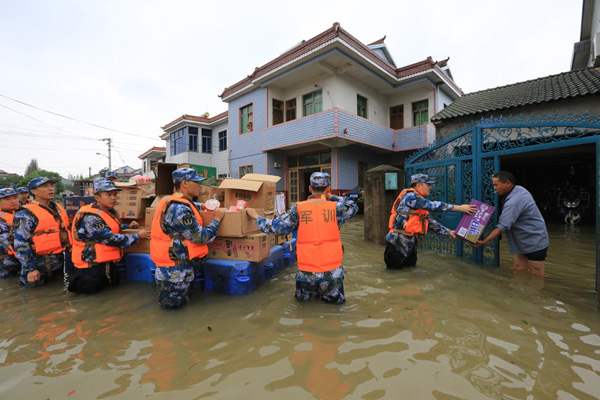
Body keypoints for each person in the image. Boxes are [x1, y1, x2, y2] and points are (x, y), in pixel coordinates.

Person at [247, 172, 358, 304]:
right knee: (335, 313)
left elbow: (274, 228)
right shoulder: (336, 209)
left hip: (307, 274)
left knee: (304, 310)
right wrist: (331, 196)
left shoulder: (298, 209)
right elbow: (353, 206)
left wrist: (255, 216)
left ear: (310, 189)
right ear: (328, 188)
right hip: (332, 274)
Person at [150, 168, 224, 309]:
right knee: (173, 314)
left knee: (181, 311)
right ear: (184, 183)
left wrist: (202, 205)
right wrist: (217, 219)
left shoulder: (175, 202)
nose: (200, 186)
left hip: (178, 270)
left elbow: (187, 205)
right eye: (196, 182)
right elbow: (201, 237)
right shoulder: (179, 209)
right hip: (174, 275)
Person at [68, 179, 150, 294]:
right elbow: (110, 239)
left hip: (106, 266)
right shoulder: (91, 218)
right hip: (90, 270)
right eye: (109, 194)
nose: (114, 198)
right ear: (97, 197)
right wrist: (137, 236)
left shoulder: (106, 211)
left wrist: (127, 226)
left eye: (115, 194)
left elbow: (108, 227)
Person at [384, 173, 476, 270]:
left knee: (409, 274)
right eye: (427, 184)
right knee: (394, 275)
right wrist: (459, 208)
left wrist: (449, 232)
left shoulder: (419, 203)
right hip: (397, 245)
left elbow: (431, 222)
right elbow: (433, 205)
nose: (430, 187)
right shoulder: (411, 197)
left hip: (410, 245)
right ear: (418, 185)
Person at [471, 171, 549, 277]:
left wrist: (484, 241)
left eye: (496, 185)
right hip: (521, 240)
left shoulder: (514, 201)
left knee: (536, 273)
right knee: (518, 268)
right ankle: (520, 291)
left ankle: (537, 292)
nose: (494, 188)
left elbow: (503, 226)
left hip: (534, 240)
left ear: (507, 183)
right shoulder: (519, 190)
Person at [13, 177, 73, 287]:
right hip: (37, 266)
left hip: (58, 264)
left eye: (51, 186)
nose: (50, 189)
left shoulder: (58, 208)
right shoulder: (25, 214)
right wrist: (30, 269)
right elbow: (20, 244)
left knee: (58, 296)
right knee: (33, 298)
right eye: (45, 186)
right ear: (34, 191)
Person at [0, 188, 21, 278]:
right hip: (7, 261)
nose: (13, 201)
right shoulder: (1, 220)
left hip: (20, 259)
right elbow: (5, 242)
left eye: (15, 198)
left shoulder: (19, 215)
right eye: (7, 199)